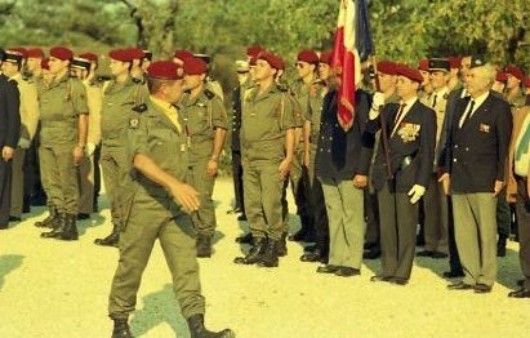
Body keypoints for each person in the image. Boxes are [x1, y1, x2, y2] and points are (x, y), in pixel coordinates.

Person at [107, 61, 233, 338]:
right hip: (145, 203)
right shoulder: (139, 116)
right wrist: (175, 185)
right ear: (164, 88)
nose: (184, 85)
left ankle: (197, 328)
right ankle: (120, 324)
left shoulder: (180, 113)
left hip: (176, 206)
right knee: (131, 265)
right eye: (179, 82)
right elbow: (139, 159)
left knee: (187, 265)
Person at [441, 57, 512, 293]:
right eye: (467, 76)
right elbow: (452, 143)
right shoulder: (461, 104)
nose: (466, 80)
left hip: (484, 177)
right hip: (460, 175)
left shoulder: (499, 107)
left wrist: (500, 177)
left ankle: (486, 276)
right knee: (464, 230)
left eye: (472, 76)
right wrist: (447, 172)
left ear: (487, 81)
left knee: (485, 230)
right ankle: (470, 274)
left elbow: (504, 147)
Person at [368, 64, 436, 285]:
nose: (398, 85)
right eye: (397, 81)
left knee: (406, 224)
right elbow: (370, 129)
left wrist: (422, 182)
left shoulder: (426, 114)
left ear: (415, 85)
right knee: (387, 224)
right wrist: (375, 109)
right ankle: (388, 267)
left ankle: (402, 271)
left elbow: (427, 151)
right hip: (385, 173)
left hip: (407, 173)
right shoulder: (390, 109)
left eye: (402, 82)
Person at [234, 51, 300, 268]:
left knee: (270, 202)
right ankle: (258, 242)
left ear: (273, 71)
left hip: (271, 157)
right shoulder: (249, 94)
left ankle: (273, 244)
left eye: (261, 65)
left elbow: (290, 129)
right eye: (255, 65)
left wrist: (288, 158)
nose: (256, 69)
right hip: (250, 156)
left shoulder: (281, 97)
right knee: (252, 202)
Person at [313, 66, 373, 277]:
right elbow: (324, 134)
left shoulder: (360, 98)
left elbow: (367, 136)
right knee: (334, 214)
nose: (332, 76)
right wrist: (320, 164)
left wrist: (362, 170)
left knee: (352, 215)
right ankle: (336, 257)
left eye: (338, 73)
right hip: (329, 164)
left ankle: (352, 261)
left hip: (350, 165)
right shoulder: (330, 97)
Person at [94, 48, 148, 247]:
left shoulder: (137, 89)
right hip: (108, 144)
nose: (111, 65)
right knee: (113, 190)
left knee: (127, 189)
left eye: (115, 63)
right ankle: (117, 228)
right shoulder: (109, 87)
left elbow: (143, 119)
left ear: (126, 64)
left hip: (125, 144)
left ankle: (129, 231)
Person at [37, 47, 89, 240]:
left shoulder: (73, 86)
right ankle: (59, 219)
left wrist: (81, 145)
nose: (50, 63)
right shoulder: (48, 85)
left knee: (68, 182)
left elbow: (83, 116)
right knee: (51, 181)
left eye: (55, 60)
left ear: (66, 63)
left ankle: (70, 224)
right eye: (50, 60)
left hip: (66, 139)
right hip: (47, 138)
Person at [180, 57, 228, 257]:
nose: (187, 78)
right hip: (185, 153)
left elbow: (221, 128)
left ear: (201, 76)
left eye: (191, 74)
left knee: (203, 195)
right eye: (185, 74)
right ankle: (193, 231)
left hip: (203, 152)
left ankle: (205, 235)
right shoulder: (182, 98)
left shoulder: (210, 101)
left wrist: (214, 157)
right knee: (187, 194)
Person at [363, 60, 400, 260]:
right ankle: (373, 238)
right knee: (371, 199)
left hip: (388, 160)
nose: (378, 80)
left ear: (395, 78)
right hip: (372, 156)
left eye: (383, 76)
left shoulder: (396, 102)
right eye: (376, 77)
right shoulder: (374, 100)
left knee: (385, 204)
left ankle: (385, 243)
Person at [416, 58, 451, 259]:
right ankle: (430, 241)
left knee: (443, 203)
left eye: (438, 74)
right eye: (432, 73)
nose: (433, 77)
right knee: (429, 202)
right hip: (426, 157)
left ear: (447, 76)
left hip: (442, 157)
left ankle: (443, 244)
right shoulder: (426, 99)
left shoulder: (451, 99)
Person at [1, 49, 39, 223]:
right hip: (8, 131)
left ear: (18, 66)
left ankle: (14, 210)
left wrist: (26, 137)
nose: (5, 66)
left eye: (9, 64)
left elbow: (31, 114)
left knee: (15, 174)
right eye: (5, 63)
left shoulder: (25, 85)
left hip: (18, 134)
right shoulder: (5, 82)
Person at [70, 54, 102, 220]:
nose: (74, 73)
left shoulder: (92, 91)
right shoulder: (70, 88)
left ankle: (84, 208)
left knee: (85, 175)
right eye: (73, 70)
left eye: (78, 70)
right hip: (70, 136)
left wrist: (93, 141)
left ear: (86, 72)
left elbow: (96, 118)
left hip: (87, 137)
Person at [0, 49, 21, 230]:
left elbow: (14, 117)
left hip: (1, 142)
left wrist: (10, 143)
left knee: (1, 180)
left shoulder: (8, 86)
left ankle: (1, 219)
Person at [229, 60, 249, 219]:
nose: (240, 76)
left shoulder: (249, 91)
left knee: (246, 174)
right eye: (239, 73)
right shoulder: (237, 91)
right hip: (236, 138)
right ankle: (240, 203)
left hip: (246, 138)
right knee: (237, 172)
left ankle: (246, 206)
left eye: (244, 73)